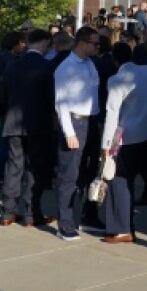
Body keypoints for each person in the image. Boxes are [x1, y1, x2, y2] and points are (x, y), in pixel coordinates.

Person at [101, 41, 147, 243]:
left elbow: (111, 113)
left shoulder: (116, 80)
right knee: (141, 173)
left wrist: (106, 144)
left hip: (127, 136)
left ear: (114, 59)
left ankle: (122, 228)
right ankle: (126, 225)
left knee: (119, 180)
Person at [0, 30, 56, 227]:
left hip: (13, 121)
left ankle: (8, 211)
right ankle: (31, 213)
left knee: (14, 166)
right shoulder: (47, 67)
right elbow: (52, 98)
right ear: (45, 43)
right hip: (38, 123)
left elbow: (3, 95)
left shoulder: (13, 66)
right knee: (34, 168)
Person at [53, 26, 101, 240]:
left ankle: (84, 217)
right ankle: (65, 223)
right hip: (75, 121)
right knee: (69, 175)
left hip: (91, 121)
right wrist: (68, 132)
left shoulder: (90, 64)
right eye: (95, 43)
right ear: (82, 43)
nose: (98, 47)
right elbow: (61, 102)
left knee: (88, 173)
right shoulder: (66, 68)